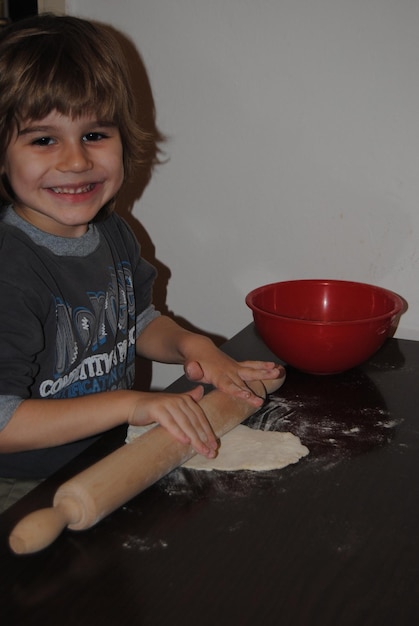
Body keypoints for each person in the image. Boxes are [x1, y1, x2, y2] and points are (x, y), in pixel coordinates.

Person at [0, 14, 283, 512]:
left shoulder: (110, 232)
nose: (75, 161)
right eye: (43, 139)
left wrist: (200, 350)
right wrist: (131, 404)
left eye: (94, 135)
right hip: (21, 486)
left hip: (101, 457)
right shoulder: (10, 270)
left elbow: (136, 321)